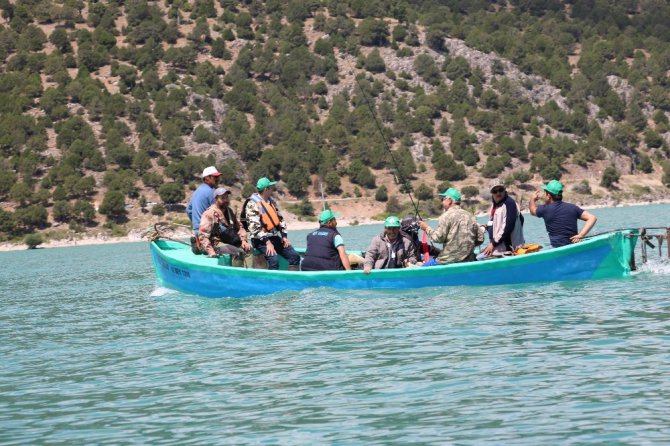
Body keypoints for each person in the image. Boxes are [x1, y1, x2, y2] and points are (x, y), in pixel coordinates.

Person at [242, 177, 301, 270]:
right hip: (260, 240)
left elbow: (280, 220)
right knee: (274, 260)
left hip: (274, 237)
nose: (272, 189)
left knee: (294, 256)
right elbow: (254, 228)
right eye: (271, 187)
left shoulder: (271, 202)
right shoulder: (252, 204)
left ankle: (292, 281)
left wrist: (284, 236)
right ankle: (272, 283)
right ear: (266, 189)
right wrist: (267, 242)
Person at [418, 187, 482, 264]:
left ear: (449, 200)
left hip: (448, 261)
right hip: (469, 259)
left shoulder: (446, 216)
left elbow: (438, 238)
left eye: (443, 199)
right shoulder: (470, 216)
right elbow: (480, 239)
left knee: (424, 268)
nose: (442, 202)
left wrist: (426, 228)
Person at [529, 180, 597, 248]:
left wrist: (532, 199)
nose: (544, 195)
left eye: (545, 193)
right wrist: (581, 235)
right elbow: (592, 218)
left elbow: (532, 211)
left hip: (557, 248)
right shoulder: (572, 207)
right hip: (574, 246)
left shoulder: (545, 209)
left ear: (549, 195)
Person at [198, 188, 252, 265]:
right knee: (237, 251)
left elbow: (239, 227)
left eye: (226, 197)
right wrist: (211, 251)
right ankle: (237, 275)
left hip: (230, 240)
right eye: (222, 198)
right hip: (216, 243)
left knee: (248, 249)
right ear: (216, 199)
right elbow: (202, 235)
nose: (226, 200)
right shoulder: (209, 214)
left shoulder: (229, 211)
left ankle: (249, 274)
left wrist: (243, 240)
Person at [477, 179, 525, 260]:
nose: (498, 193)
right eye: (495, 191)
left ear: (504, 190)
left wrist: (493, 244)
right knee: (478, 256)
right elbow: (493, 222)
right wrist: (486, 226)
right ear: (491, 193)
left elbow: (508, 227)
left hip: (508, 250)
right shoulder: (495, 205)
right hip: (498, 247)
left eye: (500, 190)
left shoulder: (509, 203)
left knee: (479, 258)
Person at [186, 166, 221, 234]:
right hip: (207, 231)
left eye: (218, 177)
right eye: (215, 177)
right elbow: (219, 213)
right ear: (207, 178)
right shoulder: (212, 192)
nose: (218, 179)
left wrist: (196, 224)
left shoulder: (197, 191)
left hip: (197, 231)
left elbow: (188, 210)